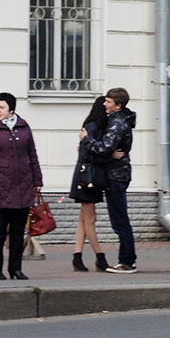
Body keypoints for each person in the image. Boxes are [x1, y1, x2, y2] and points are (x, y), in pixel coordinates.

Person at [80, 87, 137, 274]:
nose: (104, 104)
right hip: (116, 173)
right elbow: (110, 151)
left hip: (116, 175)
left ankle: (127, 261)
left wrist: (86, 140)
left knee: (119, 219)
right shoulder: (118, 120)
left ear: (118, 105)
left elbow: (105, 148)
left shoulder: (118, 123)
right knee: (119, 218)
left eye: (108, 102)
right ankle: (127, 259)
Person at [0, 92, 42, 280]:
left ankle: (15, 269)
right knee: (0, 233)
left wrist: (37, 181)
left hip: (22, 188)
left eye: (1, 107)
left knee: (18, 232)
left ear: (11, 110)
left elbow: (32, 155)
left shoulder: (24, 127)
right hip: (1, 188)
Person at [68, 97, 111, 272]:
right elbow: (91, 153)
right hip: (88, 178)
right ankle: (100, 257)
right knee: (90, 219)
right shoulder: (95, 127)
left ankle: (77, 256)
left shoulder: (91, 125)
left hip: (85, 176)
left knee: (83, 219)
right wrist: (111, 156)